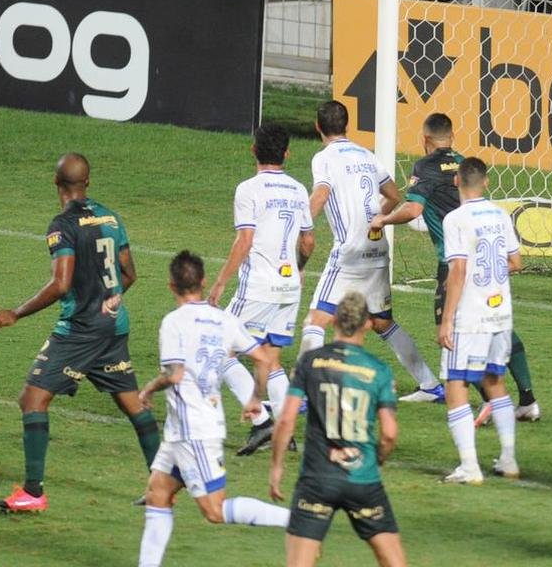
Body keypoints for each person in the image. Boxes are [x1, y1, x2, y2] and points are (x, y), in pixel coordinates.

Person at [0, 153, 160, 513]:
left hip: (81, 330)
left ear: (56, 183)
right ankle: (161, 486)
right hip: (114, 326)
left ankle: (33, 493)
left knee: (32, 399)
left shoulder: (61, 225)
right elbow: (129, 274)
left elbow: (60, 283)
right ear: (88, 182)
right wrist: (108, 301)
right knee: (132, 404)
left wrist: (16, 313)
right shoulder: (112, 217)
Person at [371, 113, 541, 421]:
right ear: (452, 136)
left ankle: (489, 401)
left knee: (449, 332)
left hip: (454, 263)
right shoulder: (464, 164)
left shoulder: (425, 166)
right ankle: (527, 400)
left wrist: (384, 219)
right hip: (487, 261)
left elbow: (413, 209)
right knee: (497, 327)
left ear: (425, 139)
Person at [137, 251, 289, 567]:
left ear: (170, 286)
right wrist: (254, 399)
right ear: (203, 281)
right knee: (158, 493)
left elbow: (174, 374)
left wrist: (149, 388)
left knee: (214, 511)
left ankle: (297, 520)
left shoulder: (173, 322)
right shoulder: (225, 319)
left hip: (194, 431)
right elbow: (262, 358)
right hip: (183, 430)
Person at [297, 101, 441, 401]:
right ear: (346, 124)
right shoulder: (366, 155)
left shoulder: (324, 158)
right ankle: (430, 384)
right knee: (380, 322)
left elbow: (321, 195)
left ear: (317, 127)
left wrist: (300, 225)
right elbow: (393, 194)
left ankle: (302, 393)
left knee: (315, 320)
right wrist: (376, 220)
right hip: (377, 248)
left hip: (349, 252)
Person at [270, 291, 406, 567]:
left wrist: (277, 466)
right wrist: (376, 460)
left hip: (318, 479)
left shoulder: (310, 361)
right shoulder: (378, 370)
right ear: (367, 323)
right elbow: (390, 433)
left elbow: (286, 419)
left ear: (333, 321)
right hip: (363, 479)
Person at [206, 123, 316, 455]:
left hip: (257, 288)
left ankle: (262, 422)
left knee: (216, 346)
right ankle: (284, 430)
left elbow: (245, 240)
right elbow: (308, 240)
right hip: (289, 287)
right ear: (286, 154)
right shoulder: (298, 190)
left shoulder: (249, 189)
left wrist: (220, 283)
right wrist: (298, 269)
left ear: (253, 150)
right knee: (270, 357)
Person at [430, 158, 523, 484]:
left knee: (456, 386)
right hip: (501, 313)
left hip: (471, 317)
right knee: (494, 381)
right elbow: (515, 261)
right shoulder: (500, 214)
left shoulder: (456, 219)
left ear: (456, 182)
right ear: (485, 182)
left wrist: (447, 320)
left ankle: (470, 467)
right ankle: (509, 458)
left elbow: (457, 271)